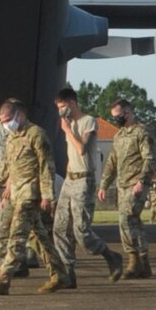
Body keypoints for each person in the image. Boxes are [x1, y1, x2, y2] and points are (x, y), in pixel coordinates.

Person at [0, 99, 57, 296]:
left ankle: (3, 280)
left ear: (20, 114)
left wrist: (47, 195)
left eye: (7, 120)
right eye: (1, 121)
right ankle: (61, 274)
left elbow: (47, 167)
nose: (5, 124)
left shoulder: (37, 134)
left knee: (17, 237)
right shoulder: (12, 137)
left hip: (30, 194)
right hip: (15, 195)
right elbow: (5, 166)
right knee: (38, 237)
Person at [51, 86, 122, 285]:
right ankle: (68, 272)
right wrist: (66, 175)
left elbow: (82, 149)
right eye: (58, 107)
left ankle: (110, 256)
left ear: (72, 104)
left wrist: (67, 130)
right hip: (70, 178)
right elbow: (70, 156)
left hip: (84, 179)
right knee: (60, 227)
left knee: (80, 230)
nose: (61, 111)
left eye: (63, 106)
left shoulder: (87, 122)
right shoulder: (70, 124)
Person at [98, 96, 155, 279]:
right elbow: (112, 162)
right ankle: (144, 263)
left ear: (128, 113)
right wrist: (104, 184)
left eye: (118, 115)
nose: (116, 119)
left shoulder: (142, 132)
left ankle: (133, 260)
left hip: (136, 184)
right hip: (122, 185)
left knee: (126, 219)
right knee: (135, 222)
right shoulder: (119, 135)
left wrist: (142, 180)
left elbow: (149, 158)